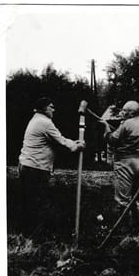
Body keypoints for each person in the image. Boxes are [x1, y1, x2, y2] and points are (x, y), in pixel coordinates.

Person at [18, 96, 85, 237]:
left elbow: (57, 139)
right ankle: (36, 236)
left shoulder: (37, 119)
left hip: (29, 165)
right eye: (51, 106)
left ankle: (28, 235)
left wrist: (73, 142)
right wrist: (76, 145)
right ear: (44, 108)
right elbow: (60, 141)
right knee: (38, 203)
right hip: (35, 168)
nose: (54, 109)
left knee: (30, 202)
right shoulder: (44, 122)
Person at [99, 100, 139, 233]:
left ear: (132, 112)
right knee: (134, 197)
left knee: (122, 199)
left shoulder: (127, 123)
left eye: (125, 111)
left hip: (125, 162)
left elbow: (112, 139)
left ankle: (122, 231)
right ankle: (136, 228)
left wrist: (106, 127)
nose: (122, 112)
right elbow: (125, 135)